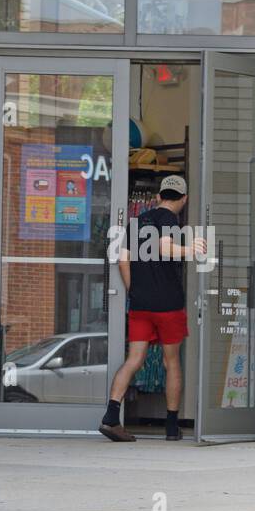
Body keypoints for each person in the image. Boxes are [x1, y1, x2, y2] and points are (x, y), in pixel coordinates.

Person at [99, 175, 205, 442]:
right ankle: (171, 426)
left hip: (141, 304)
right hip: (168, 304)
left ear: (158, 196)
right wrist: (191, 250)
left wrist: (135, 289)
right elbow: (165, 248)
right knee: (171, 363)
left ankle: (111, 417)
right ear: (184, 199)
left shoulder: (136, 223)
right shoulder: (170, 219)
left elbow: (123, 261)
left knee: (134, 360)